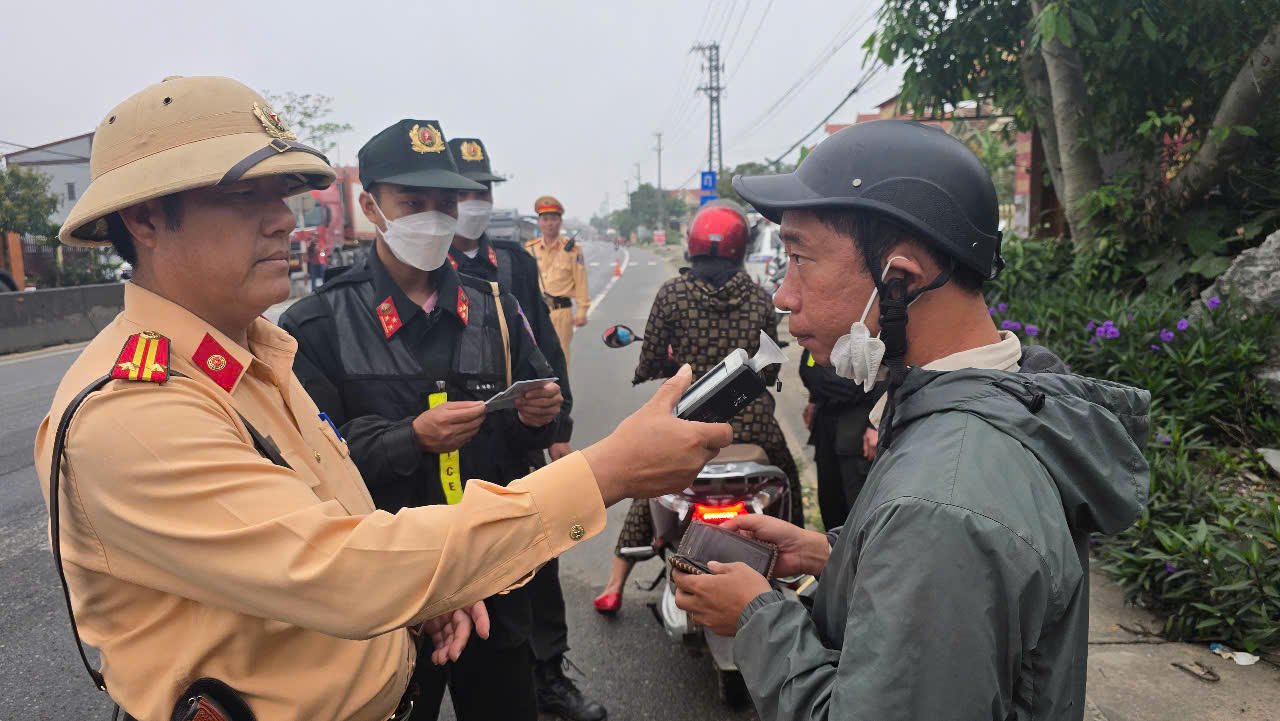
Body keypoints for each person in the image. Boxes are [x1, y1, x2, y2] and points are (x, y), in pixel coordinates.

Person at [34, 76, 733, 721]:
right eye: (247, 197)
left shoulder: (258, 354)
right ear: (146, 219)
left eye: (282, 195)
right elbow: (341, 569)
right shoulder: (136, 411)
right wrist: (604, 472)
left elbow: (332, 512)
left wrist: (421, 596)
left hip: (435, 599)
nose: (283, 220)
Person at [669, 119, 1151, 721]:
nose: (782, 297)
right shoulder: (991, 408)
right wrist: (831, 555)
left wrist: (756, 619)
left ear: (899, 279)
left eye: (799, 258)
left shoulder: (941, 507)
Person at [280, 120, 552, 721]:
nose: (433, 217)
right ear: (370, 206)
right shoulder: (317, 325)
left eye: (444, 203)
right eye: (413, 202)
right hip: (388, 590)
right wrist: (410, 439)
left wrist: (538, 416)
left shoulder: (496, 309)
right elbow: (314, 468)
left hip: (490, 573)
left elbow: (522, 433)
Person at [446, 137, 604, 721]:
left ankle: (548, 676)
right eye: (465, 191)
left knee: (540, 555)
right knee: (466, 570)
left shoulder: (513, 260)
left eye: (483, 190)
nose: (476, 201)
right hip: (452, 446)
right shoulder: (429, 265)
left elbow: (543, 347)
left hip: (516, 438)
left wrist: (558, 423)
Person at [593, 200, 803, 614]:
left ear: (692, 245)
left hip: (690, 418)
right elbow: (771, 367)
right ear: (741, 247)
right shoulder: (760, 297)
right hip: (752, 422)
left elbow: (650, 359)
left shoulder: (673, 294)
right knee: (788, 480)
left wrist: (656, 370)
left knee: (649, 484)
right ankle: (799, 569)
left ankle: (615, 584)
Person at [798, 347, 884, 529]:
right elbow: (809, 366)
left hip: (858, 426)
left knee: (858, 512)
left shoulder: (875, 331)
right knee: (830, 505)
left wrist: (878, 421)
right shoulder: (821, 336)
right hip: (827, 422)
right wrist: (814, 397)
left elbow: (891, 374)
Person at [525, 195, 589, 368]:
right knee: (535, 361)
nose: (549, 223)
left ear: (560, 222)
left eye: (553, 219)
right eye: (545, 219)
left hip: (561, 313)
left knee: (560, 359)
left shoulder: (573, 250)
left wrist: (582, 310)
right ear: (539, 222)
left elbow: (581, 281)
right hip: (535, 312)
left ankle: (562, 387)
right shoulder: (530, 249)